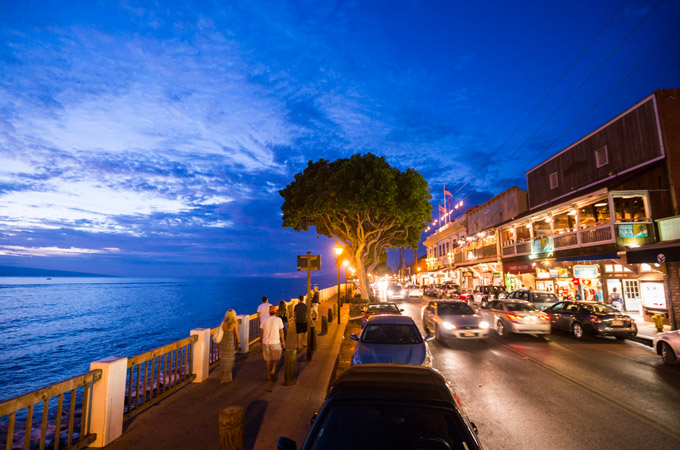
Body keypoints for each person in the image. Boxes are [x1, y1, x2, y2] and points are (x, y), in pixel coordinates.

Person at [260, 305, 285, 381]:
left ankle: (268, 376)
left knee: (268, 360)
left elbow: (261, 332)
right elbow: (281, 332)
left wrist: (260, 341)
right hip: (275, 342)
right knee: (277, 357)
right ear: (276, 312)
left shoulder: (264, 320)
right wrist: (283, 341)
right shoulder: (278, 320)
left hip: (265, 342)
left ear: (269, 312)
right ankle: (273, 370)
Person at [219, 309, 240, 384]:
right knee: (230, 359)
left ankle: (223, 377)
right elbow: (236, 333)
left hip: (224, 342)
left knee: (224, 359)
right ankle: (228, 376)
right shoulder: (234, 323)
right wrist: (238, 342)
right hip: (230, 342)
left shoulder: (223, 323)